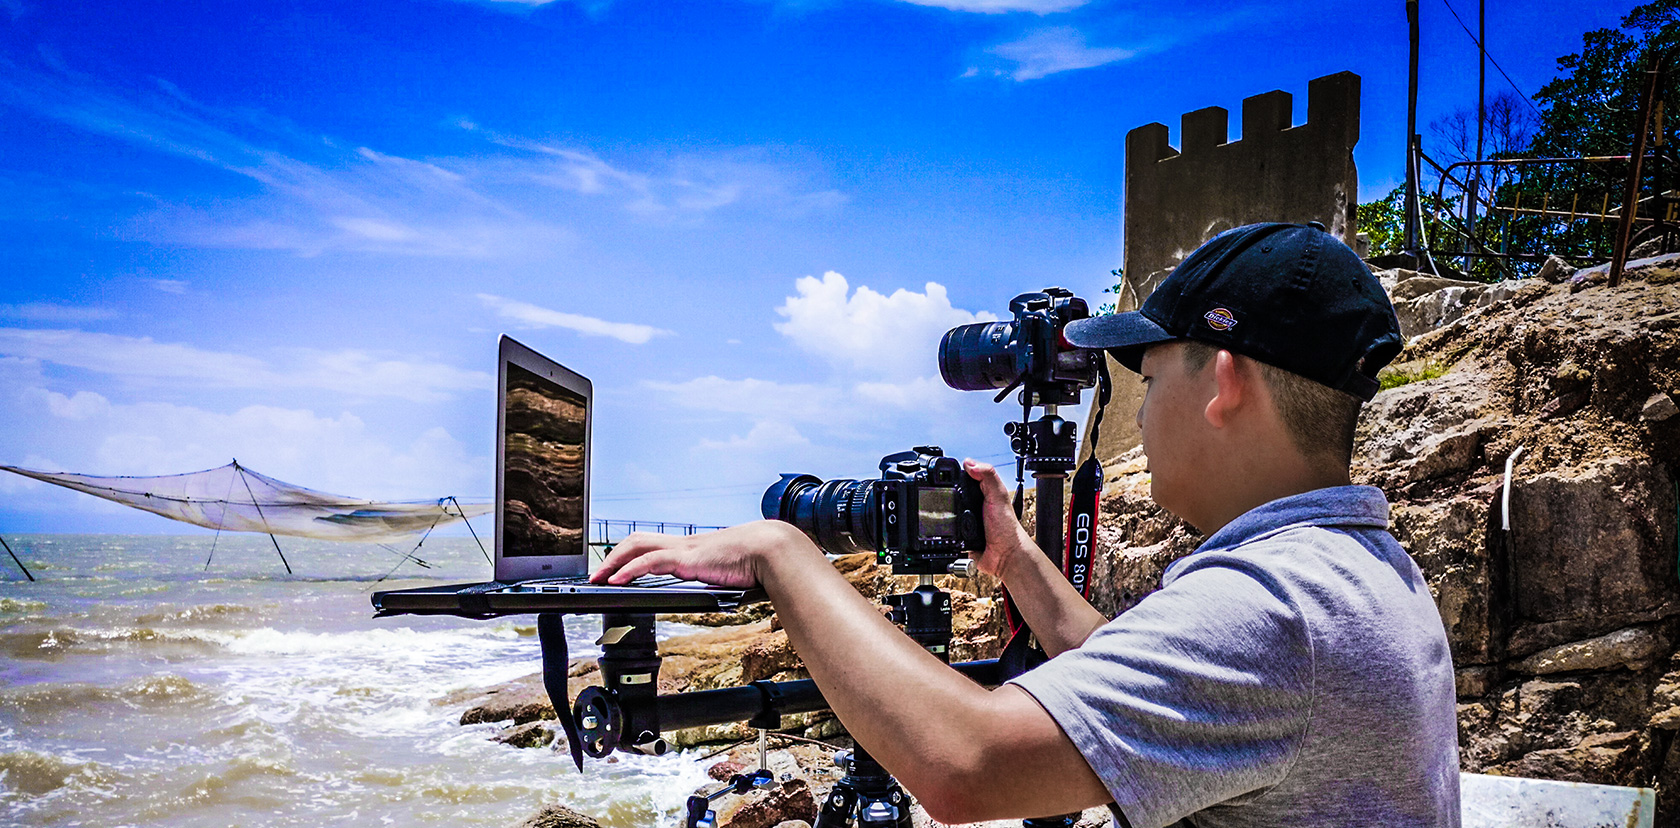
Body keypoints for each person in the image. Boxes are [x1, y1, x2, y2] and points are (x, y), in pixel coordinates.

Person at [593, 222, 1460, 827]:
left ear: (1224, 385)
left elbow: (965, 767)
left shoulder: (1271, 602)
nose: (1140, 410)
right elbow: (1140, 681)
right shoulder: (1359, 570)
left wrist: (782, 553)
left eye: (1151, 378)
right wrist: (1014, 559)